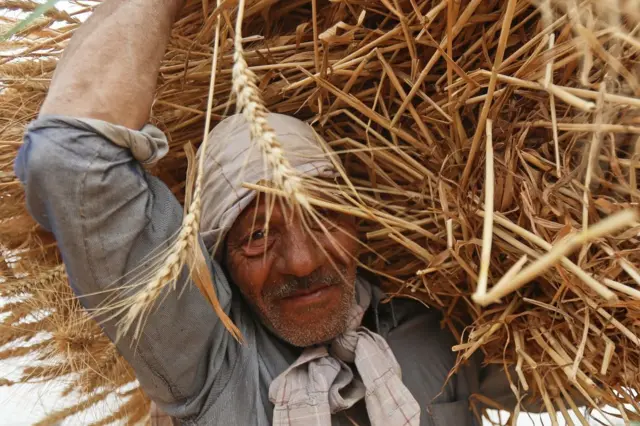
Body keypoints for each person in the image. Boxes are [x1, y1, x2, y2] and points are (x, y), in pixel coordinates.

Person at [15, 1, 517, 425]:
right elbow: (70, 161)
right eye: (256, 236)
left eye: (322, 220)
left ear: (356, 222)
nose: (300, 263)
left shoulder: (436, 333)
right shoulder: (207, 361)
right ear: (219, 260)